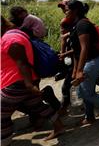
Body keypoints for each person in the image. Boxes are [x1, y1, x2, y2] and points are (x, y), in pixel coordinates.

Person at [1, 16, 64, 145]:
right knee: (38, 106)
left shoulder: (10, 39)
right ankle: (59, 126)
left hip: (16, 82)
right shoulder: (14, 34)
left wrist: (29, 85)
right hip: (24, 80)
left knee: (1, 115)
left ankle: (4, 142)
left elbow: (22, 63)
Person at [67, 0, 99, 125]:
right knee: (86, 91)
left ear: (75, 11)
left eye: (68, 9)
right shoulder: (76, 25)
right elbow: (76, 50)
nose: (66, 12)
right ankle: (89, 116)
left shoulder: (82, 25)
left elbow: (84, 48)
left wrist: (79, 70)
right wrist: (75, 69)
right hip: (86, 62)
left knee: (84, 92)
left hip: (92, 61)